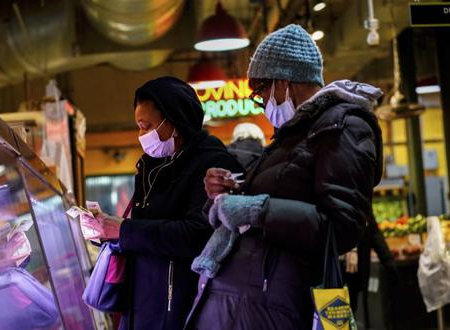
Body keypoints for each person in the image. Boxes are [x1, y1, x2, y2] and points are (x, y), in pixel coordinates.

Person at [185, 24, 384, 329]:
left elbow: (341, 227)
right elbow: (280, 196)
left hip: (283, 303)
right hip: (253, 302)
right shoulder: (290, 135)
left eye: (261, 90)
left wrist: (258, 210)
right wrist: (226, 193)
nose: (261, 101)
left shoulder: (344, 128)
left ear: (284, 81)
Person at [79, 76, 242, 330]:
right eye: (139, 127)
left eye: (147, 126)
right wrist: (107, 230)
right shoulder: (151, 167)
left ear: (174, 121)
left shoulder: (213, 166)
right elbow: (148, 231)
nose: (141, 135)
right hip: (143, 306)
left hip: (183, 311)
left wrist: (123, 229)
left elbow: (198, 235)